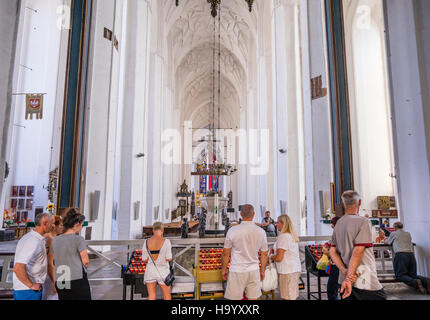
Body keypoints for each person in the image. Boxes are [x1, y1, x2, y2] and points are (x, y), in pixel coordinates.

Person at [329, 191, 386, 300]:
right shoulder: (363, 221)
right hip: (362, 274)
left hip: (344, 275)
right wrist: (349, 279)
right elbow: (358, 251)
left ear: (343, 204)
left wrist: (345, 271)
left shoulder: (339, 223)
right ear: (359, 202)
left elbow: (332, 251)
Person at [222, 204, 269, 300]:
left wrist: (223, 270)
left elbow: (226, 254)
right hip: (254, 269)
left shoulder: (232, 231)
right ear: (253, 214)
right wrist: (262, 271)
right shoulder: (261, 232)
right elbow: (264, 254)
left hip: (237, 270)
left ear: (240, 214)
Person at [52, 209, 91, 300]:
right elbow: (85, 261)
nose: (81, 227)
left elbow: (54, 260)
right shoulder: (78, 239)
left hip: (61, 278)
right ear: (76, 224)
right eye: (81, 224)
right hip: (76, 278)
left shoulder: (55, 239)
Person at [12, 213, 53, 300]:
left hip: (30, 289)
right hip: (26, 290)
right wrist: (31, 285)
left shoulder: (37, 238)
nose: (53, 226)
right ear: (45, 223)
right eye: (52, 223)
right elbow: (18, 268)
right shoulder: (32, 241)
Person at [386, 222, 430, 294]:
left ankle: (415, 282)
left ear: (395, 227)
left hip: (401, 255)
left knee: (400, 275)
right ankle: (425, 281)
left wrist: (386, 240)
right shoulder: (407, 233)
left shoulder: (394, 233)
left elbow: (388, 242)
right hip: (411, 255)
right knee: (413, 275)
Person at [269, 214, 301, 300]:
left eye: (278, 222)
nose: (276, 224)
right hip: (292, 270)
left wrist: (271, 256)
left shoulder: (284, 236)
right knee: (290, 296)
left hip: (287, 271)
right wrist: (274, 250)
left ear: (284, 224)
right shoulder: (290, 235)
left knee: (287, 297)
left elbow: (279, 258)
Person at [142, 222, 173, 300]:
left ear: (153, 230)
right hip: (163, 272)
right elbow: (169, 258)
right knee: (167, 296)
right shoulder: (166, 241)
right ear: (162, 230)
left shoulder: (146, 242)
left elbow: (144, 259)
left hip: (150, 272)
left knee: (151, 296)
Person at [43, 215, 63, 300]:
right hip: (51, 275)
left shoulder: (54, 238)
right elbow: (50, 263)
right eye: (61, 225)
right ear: (55, 226)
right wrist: (55, 283)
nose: (63, 227)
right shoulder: (50, 239)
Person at [326, 216, 341, 300]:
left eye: (332, 226)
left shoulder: (337, 235)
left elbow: (335, 252)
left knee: (332, 289)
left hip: (336, 265)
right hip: (341, 264)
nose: (332, 228)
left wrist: (327, 252)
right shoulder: (343, 234)